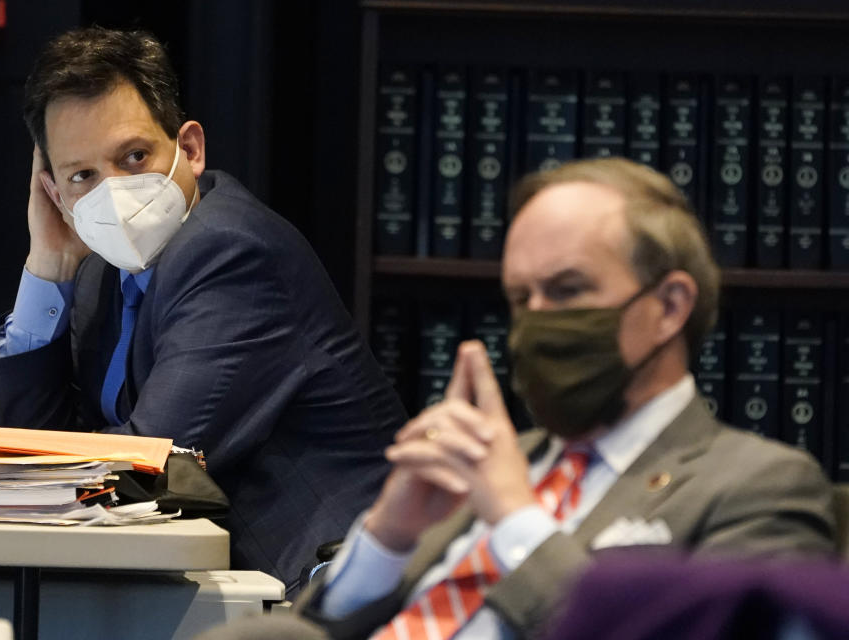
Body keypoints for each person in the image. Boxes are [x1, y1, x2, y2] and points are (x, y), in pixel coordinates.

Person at [203, 157, 835, 639]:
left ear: (669, 306)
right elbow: (324, 628)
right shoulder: (486, 464)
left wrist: (514, 517)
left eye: (566, 292)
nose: (536, 323)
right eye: (520, 300)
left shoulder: (758, 486)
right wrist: (387, 537)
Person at [0, 27, 406, 594]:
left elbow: (151, 463)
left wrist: (51, 460)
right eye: (83, 176)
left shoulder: (229, 250)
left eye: (134, 157)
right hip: (212, 585)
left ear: (191, 149)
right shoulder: (99, 273)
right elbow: (33, 456)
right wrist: (49, 264)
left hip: (338, 583)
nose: (115, 192)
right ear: (54, 195)